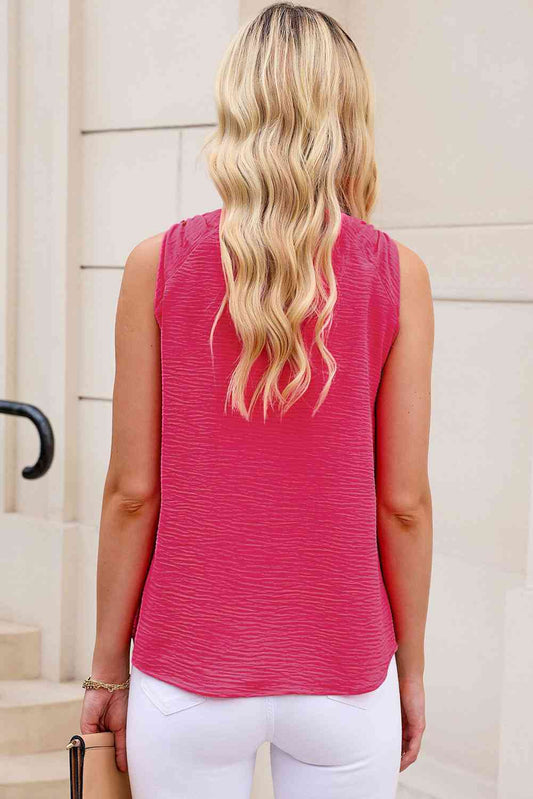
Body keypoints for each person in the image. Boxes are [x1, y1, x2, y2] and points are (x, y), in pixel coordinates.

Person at [79, 4, 434, 798]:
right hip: (345, 667)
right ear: (347, 115)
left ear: (236, 107)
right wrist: (409, 669)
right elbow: (403, 504)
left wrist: (106, 668)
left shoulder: (156, 264)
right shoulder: (395, 273)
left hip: (187, 665)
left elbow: (132, 492)